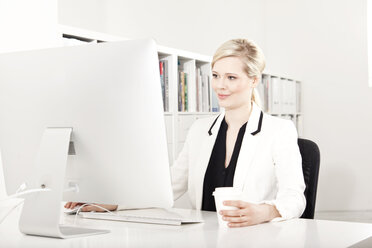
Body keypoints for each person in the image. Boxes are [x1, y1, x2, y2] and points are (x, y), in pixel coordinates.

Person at [65, 38, 306, 227]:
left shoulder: (279, 130)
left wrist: (265, 211)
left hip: (255, 238)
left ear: (254, 80)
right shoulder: (200, 130)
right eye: (216, 76)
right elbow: (167, 189)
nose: (220, 86)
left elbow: (295, 198)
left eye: (231, 77)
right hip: (205, 237)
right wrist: (111, 203)